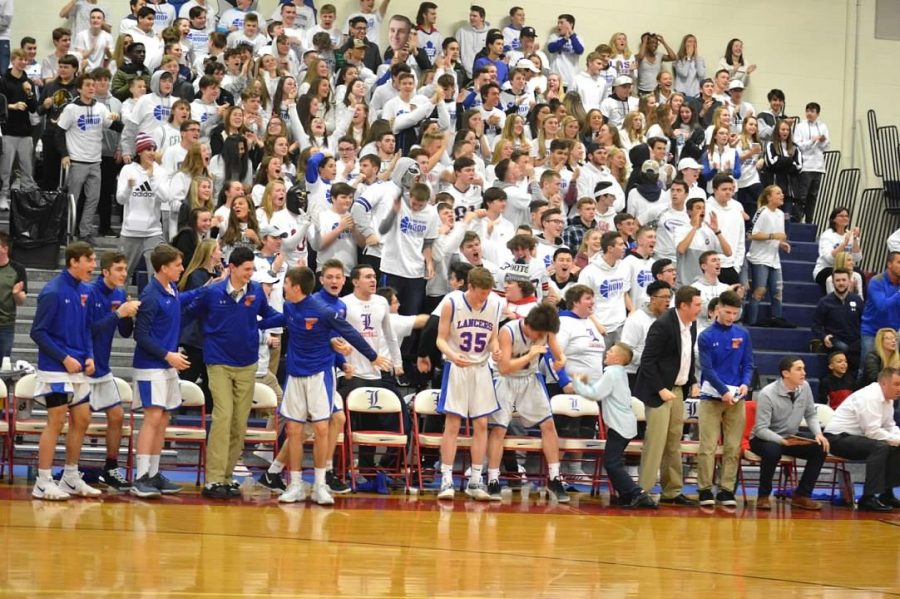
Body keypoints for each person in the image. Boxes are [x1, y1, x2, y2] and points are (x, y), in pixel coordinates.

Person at [258, 266, 389, 505]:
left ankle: (320, 485)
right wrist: (246, 322)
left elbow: (350, 333)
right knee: (294, 431)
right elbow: (274, 320)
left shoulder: (323, 311)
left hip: (319, 376)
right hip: (295, 376)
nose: (282, 288)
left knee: (321, 429)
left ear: (296, 287)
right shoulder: (289, 307)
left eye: (285, 284)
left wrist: (372, 356)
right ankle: (295, 484)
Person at [189, 246, 281, 499]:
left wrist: (278, 320)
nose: (250, 274)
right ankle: (213, 479)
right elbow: (190, 311)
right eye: (247, 269)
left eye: (252, 269)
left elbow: (269, 315)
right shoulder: (213, 292)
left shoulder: (256, 293)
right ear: (232, 267)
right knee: (223, 416)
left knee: (239, 422)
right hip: (218, 361)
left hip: (247, 363)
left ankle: (227, 478)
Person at [130, 244, 206, 498]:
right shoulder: (150, 295)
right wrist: (168, 355)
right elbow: (140, 336)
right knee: (152, 418)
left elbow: (181, 301)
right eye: (177, 265)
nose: (182, 269)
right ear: (164, 268)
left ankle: (153, 473)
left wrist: (204, 290)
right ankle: (140, 476)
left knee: (162, 420)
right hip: (151, 367)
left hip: (166, 366)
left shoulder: (171, 288)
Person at [29, 242, 100, 501]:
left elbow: (87, 328)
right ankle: (43, 481)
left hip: (79, 368)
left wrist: (89, 355)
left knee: (82, 419)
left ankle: (70, 476)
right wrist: (64, 357)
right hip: (55, 370)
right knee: (56, 421)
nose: (94, 265)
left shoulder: (86, 291)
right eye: (89, 260)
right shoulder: (52, 291)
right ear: (74, 262)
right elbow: (37, 332)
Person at [487, 304, 569, 502]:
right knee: (499, 428)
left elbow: (559, 354)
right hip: (503, 378)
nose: (540, 337)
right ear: (530, 326)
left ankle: (554, 477)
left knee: (548, 425)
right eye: (538, 333)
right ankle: (493, 479)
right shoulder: (508, 332)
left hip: (529, 378)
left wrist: (561, 360)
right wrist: (530, 355)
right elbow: (505, 367)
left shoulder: (546, 331)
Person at [436, 267, 503, 501]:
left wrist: (496, 348)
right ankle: (446, 479)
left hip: (481, 368)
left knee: (482, 424)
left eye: (487, 293)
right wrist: (452, 356)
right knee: (453, 423)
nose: (484, 297)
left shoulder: (494, 305)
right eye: (480, 293)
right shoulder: (451, 303)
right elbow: (440, 339)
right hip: (457, 367)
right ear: (470, 287)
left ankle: (475, 479)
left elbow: (493, 336)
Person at [634, 285, 702, 506]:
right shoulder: (662, 326)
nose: (700, 309)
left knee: (674, 441)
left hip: (677, 391)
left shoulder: (690, 325)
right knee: (656, 442)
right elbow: (647, 362)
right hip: (658, 392)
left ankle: (672, 491)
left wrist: (691, 380)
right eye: (697, 305)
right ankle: (642, 491)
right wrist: (660, 388)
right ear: (684, 305)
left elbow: (686, 355)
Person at [573, 343, 657, 508]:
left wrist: (577, 383)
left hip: (620, 425)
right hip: (623, 424)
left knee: (612, 462)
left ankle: (636, 493)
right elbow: (600, 389)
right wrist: (586, 383)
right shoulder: (618, 373)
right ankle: (626, 495)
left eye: (610, 351)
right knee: (612, 461)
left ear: (618, 359)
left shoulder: (612, 372)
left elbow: (595, 394)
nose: (607, 353)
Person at [88, 251, 141, 490]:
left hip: (103, 368)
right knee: (80, 421)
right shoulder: (89, 293)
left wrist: (130, 316)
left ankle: (110, 468)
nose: (124, 274)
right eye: (119, 270)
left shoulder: (119, 293)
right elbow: (90, 330)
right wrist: (118, 313)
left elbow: (124, 332)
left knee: (117, 416)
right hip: (84, 367)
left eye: (125, 269)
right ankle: (70, 470)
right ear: (105, 271)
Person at [696, 290, 754, 508]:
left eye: (734, 313)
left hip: (736, 398)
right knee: (708, 445)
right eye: (727, 312)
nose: (731, 316)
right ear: (717, 309)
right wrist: (723, 391)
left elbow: (748, 363)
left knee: (732, 445)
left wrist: (746, 383)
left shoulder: (743, 334)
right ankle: (704, 489)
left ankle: (727, 489)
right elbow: (707, 369)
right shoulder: (706, 336)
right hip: (712, 397)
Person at [750, 356, 829, 510]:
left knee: (820, 448)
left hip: (790, 436)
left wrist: (818, 434)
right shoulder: (767, 394)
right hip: (764, 438)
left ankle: (802, 495)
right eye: (799, 369)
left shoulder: (804, 387)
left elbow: (811, 414)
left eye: (804, 369)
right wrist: (782, 441)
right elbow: (761, 429)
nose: (804, 373)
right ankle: (763, 496)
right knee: (773, 451)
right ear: (786, 373)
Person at [57, 71, 123, 245]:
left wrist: (122, 121)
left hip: (96, 162)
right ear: (79, 89)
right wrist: (65, 154)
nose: (91, 88)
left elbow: (115, 126)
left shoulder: (100, 108)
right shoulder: (71, 109)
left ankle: (84, 232)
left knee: (93, 200)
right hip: (77, 161)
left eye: (93, 85)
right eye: (87, 85)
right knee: (73, 199)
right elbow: (59, 132)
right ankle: (66, 232)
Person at [825, 367, 900, 512]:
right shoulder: (870, 397)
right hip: (837, 439)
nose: (899, 388)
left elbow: (890, 426)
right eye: (896, 384)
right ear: (884, 383)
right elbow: (872, 432)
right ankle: (868, 497)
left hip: (858, 438)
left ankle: (887, 494)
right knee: (881, 446)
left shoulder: (888, 399)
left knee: (894, 446)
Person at [746, 185, 793, 327]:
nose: (782, 195)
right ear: (769, 197)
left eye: (782, 193)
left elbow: (778, 237)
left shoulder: (780, 214)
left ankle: (776, 319)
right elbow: (751, 234)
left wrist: (781, 244)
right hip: (759, 258)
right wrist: (773, 236)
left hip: (774, 259)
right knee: (759, 291)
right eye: (778, 193)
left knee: (777, 292)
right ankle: (752, 322)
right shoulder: (762, 211)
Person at [0, 48, 38, 211]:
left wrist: (29, 94)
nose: (23, 62)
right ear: (13, 60)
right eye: (20, 59)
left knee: (27, 168)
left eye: (25, 60)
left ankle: (27, 196)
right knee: (5, 168)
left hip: (25, 131)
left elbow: (33, 108)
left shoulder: (27, 82)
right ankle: (3, 195)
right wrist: (12, 106)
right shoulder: (3, 80)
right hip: (8, 130)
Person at [812, 268, 864, 375]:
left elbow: (864, 322)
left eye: (844, 280)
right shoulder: (824, 302)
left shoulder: (857, 300)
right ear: (833, 282)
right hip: (835, 345)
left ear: (849, 281)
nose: (841, 283)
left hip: (855, 345)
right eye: (838, 280)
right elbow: (816, 326)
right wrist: (824, 337)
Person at [621, 280, 671, 387]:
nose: (668, 301)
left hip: (657, 375)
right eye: (664, 297)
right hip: (634, 375)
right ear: (653, 299)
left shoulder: (669, 319)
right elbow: (626, 350)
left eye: (669, 297)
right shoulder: (636, 319)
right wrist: (650, 360)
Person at [859, 252, 900, 375]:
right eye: (899, 262)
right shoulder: (877, 281)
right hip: (872, 331)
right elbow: (882, 306)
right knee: (866, 369)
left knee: (893, 370)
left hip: (893, 333)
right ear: (889, 264)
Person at [793, 102, 830, 225]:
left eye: (812, 111)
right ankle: (797, 220)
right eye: (807, 110)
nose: (809, 113)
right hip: (805, 166)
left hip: (818, 167)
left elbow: (826, 147)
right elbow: (798, 145)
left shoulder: (823, 126)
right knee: (802, 196)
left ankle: (809, 221)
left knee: (813, 197)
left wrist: (822, 141)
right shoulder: (800, 126)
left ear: (817, 113)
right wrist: (812, 141)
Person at [0, 231, 27, 360]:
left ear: (5, 248)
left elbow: (22, 301)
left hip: (6, 325)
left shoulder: (18, 269)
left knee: (3, 365)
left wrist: (16, 293)